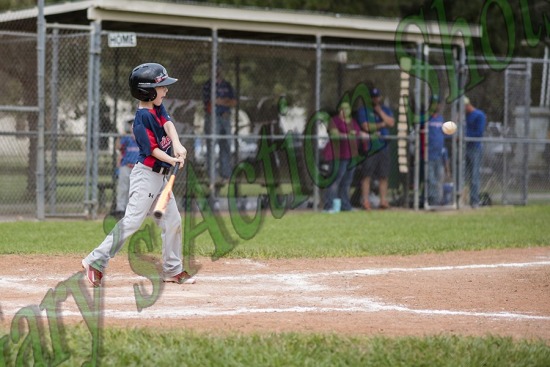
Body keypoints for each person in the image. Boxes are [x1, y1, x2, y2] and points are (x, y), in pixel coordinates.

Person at [82, 62, 194, 287]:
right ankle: (95, 261)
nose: (165, 90)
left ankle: (173, 269)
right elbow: (152, 150)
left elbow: (169, 124)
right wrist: (172, 158)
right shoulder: (142, 119)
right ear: (147, 91)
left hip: (161, 177)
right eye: (161, 87)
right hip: (146, 177)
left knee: (173, 220)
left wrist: (178, 145)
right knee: (133, 220)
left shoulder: (157, 107)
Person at [322, 101, 365, 212]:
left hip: (350, 156)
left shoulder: (353, 122)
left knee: (347, 182)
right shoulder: (334, 120)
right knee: (335, 180)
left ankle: (345, 206)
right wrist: (347, 135)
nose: (345, 111)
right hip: (337, 156)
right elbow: (335, 134)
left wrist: (371, 135)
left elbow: (359, 133)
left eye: (347, 109)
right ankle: (329, 206)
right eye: (343, 109)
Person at [356, 87, 395, 210]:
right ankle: (366, 201)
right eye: (373, 97)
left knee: (383, 175)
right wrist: (382, 124)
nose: (375, 99)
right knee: (367, 175)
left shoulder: (385, 109)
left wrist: (380, 112)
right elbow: (366, 126)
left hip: (383, 147)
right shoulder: (363, 110)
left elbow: (391, 123)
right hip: (371, 147)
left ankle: (383, 201)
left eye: (377, 97)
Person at [202, 62, 237, 184]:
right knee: (212, 146)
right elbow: (210, 103)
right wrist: (223, 101)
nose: (217, 70)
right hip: (213, 118)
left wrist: (220, 101)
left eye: (219, 68)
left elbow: (233, 102)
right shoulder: (208, 85)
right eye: (215, 68)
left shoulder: (227, 85)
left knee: (226, 145)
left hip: (225, 118)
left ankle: (226, 175)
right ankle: (212, 176)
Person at [114, 118, 140, 217]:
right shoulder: (126, 138)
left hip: (137, 168)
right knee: (123, 188)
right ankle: (120, 209)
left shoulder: (141, 138)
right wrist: (121, 136)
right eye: (131, 126)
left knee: (134, 189)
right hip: (126, 166)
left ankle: (132, 210)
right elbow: (118, 147)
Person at [464, 96, 486, 208]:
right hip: (464, 148)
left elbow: (479, 133)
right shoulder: (464, 117)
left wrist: (464, 136)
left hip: (474, 149)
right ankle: (460, 200)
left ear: (467, 105)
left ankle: (474, 201)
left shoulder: (479, 115)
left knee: (474, 176)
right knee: (462, 175)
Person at [425, 95, 446, 206]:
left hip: (439, 155)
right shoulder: (426, 118)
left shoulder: (440, 118)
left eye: (437, 103)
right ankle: (432, 200)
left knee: (439, 178)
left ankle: (439, 199)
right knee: (431, 178)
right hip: (429, 154)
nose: (435, 105)